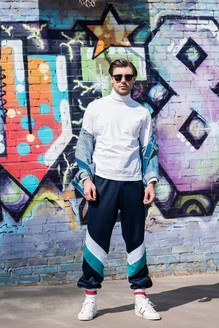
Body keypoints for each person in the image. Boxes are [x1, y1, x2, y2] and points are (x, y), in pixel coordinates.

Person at [71, 58, 161, 321]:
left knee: (136, 239)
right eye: (119, 76)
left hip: (133, 184)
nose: (124, 81)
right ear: (110, 78)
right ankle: (90, 299)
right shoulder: (96, 108)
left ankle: (141, 299)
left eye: (129, 76)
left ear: (135, 80)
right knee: (97, 239)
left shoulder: (142, 113)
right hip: (102, 183)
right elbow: (84, 147)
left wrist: (151, 182)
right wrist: (86, 180)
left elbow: (149, 151)